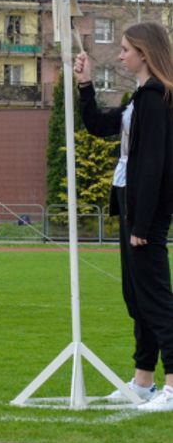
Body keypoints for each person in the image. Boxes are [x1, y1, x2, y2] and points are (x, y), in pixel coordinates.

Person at [74, 21, 173, 412]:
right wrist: (84, 85)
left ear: (144, 53)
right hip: (132, 206)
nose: (119, 55)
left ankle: (171, 385)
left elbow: (152, 166)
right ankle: (143, 382)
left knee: (156, 298)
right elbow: (99, 125)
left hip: (144, 213)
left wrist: (142, 226)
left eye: (124, 49)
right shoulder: (139, 98)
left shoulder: (156, 99)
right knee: (136, 298)